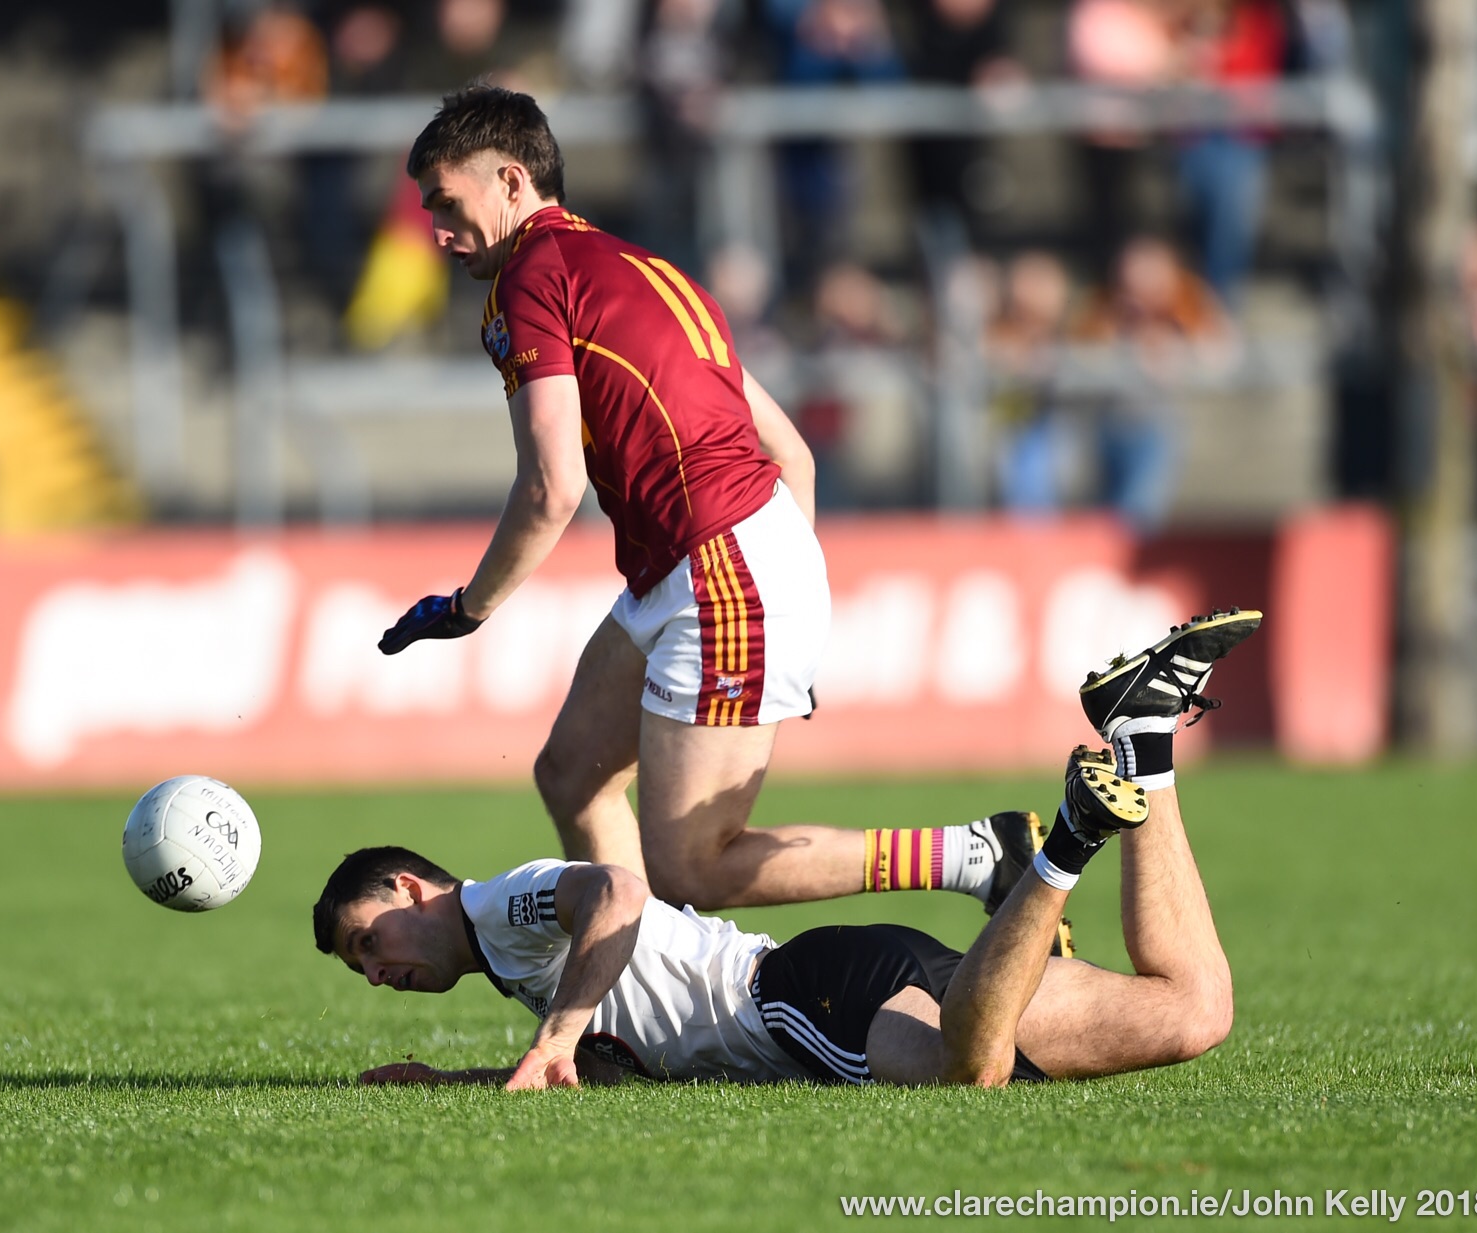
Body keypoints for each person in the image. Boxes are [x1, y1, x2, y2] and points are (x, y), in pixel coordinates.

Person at [377, 84, 1021, 913]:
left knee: (691, 866)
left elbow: (550, 488)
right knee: (572, 773)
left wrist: (470, 607)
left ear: (511, 182)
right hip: (718, 562)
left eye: (446, 202)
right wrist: (797, 610)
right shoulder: (648, 269)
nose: (435, 230)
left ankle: (977, 856)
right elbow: (794, 456)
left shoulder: (527, 281)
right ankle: (635, 1009)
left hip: (717, 568)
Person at [318, 610, 1261, 1090]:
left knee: (968, 1073)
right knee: (1193, 1013)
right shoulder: (519, 965)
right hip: (863, 966)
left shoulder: (493, 906)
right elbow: (606, 1055)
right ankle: (1147, 736)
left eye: (370, 940)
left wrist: (556, 1033)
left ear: (413, 888)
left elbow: (613, 892)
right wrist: (483, 1073)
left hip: (797, 1000)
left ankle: (1063, 845)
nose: (375, 970)